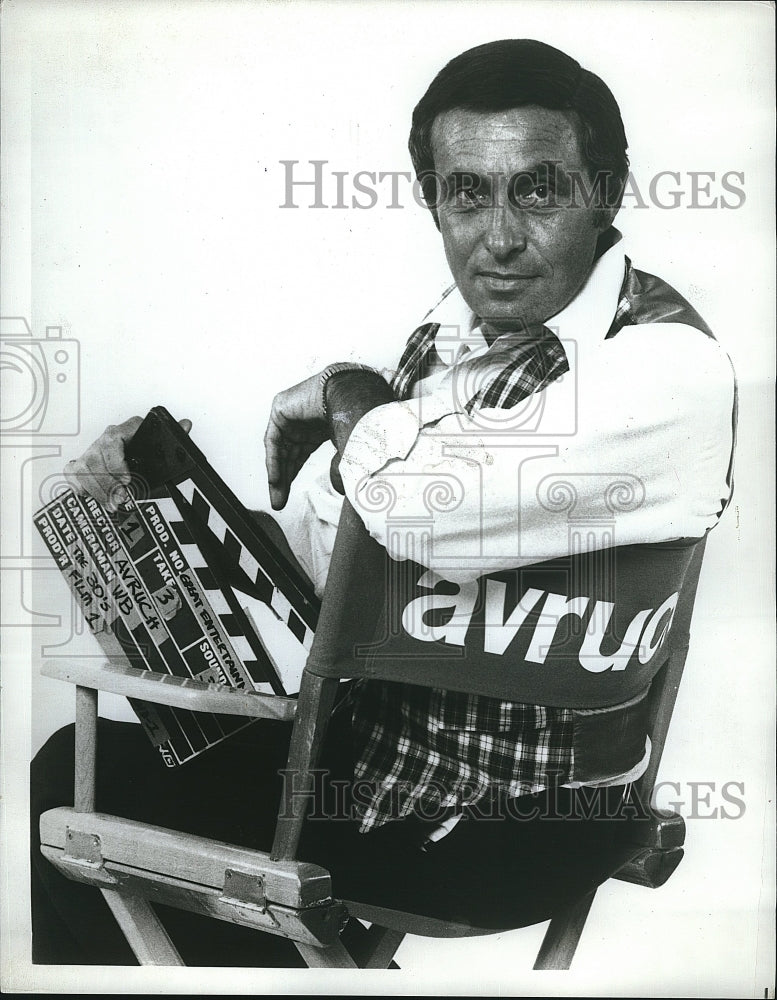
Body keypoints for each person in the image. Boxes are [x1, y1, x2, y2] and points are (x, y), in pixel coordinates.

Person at [30, 39, 736, 965]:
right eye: (465, 193)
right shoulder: (452, 341)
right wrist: (172, 524)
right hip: (385, 778)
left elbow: (413, 511)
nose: (499, 235)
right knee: (89, 764)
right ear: (432, 199)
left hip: (508, 829)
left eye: (538, 189)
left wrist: (343, 390)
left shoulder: (663, 366)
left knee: (80, 796)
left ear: (606, 192)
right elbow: (347, 556)